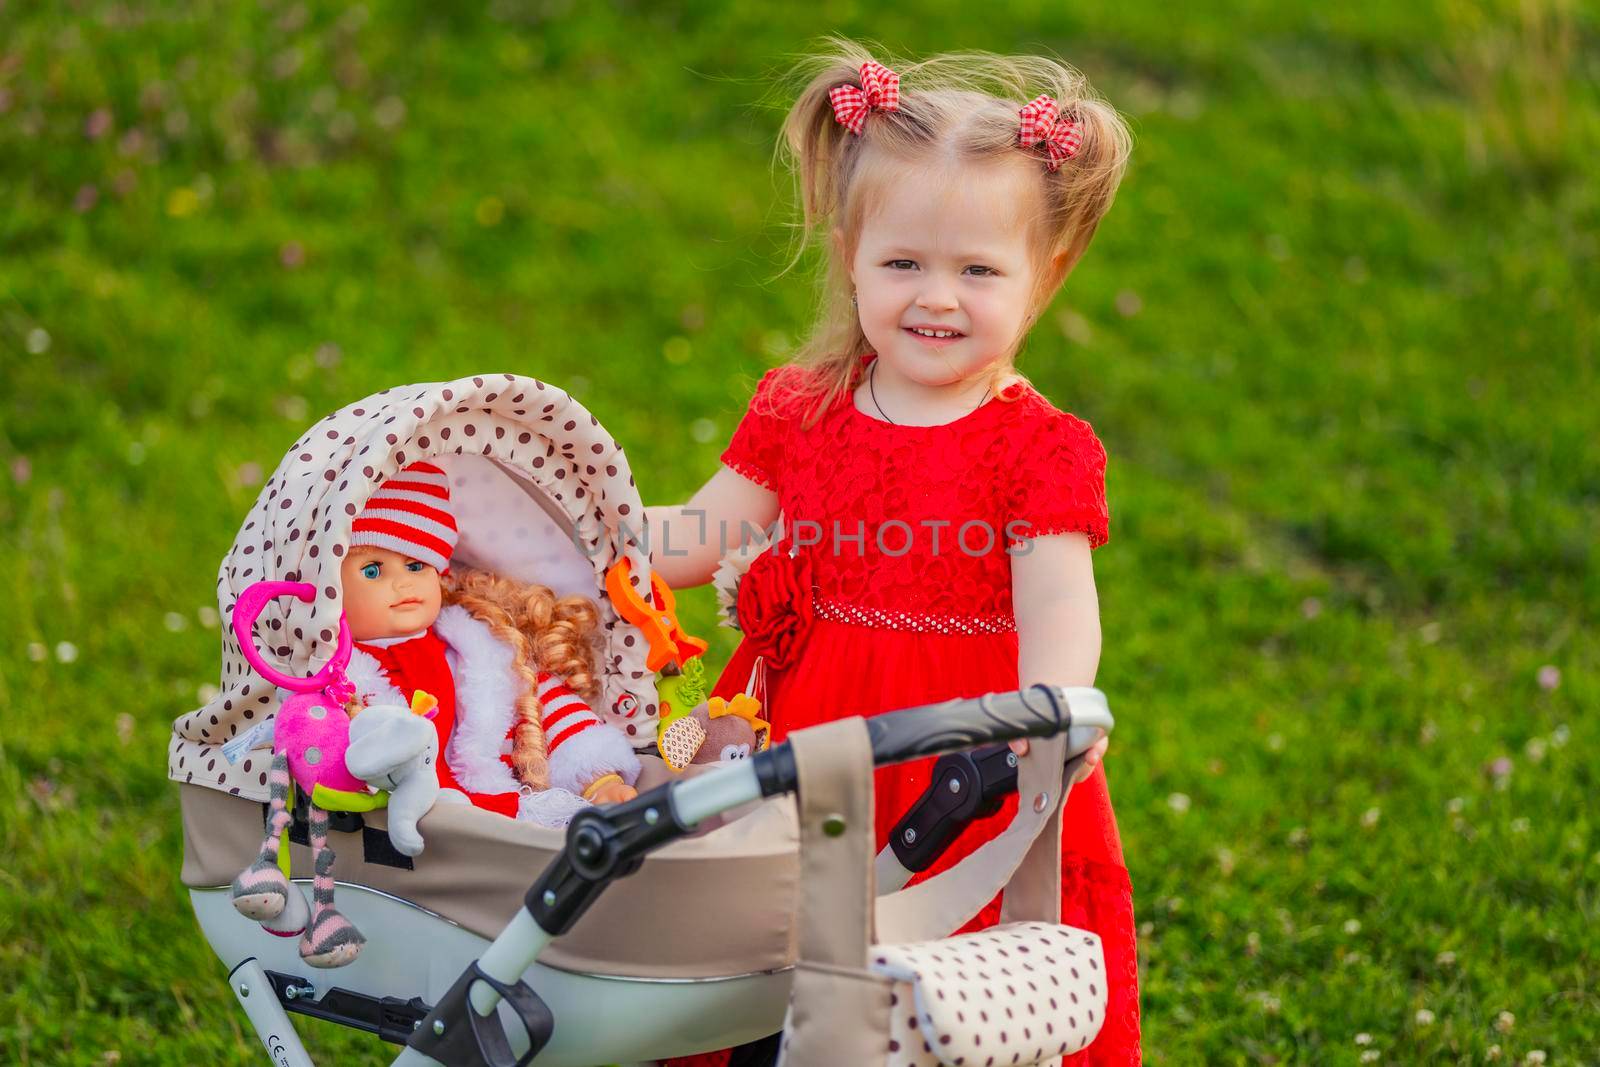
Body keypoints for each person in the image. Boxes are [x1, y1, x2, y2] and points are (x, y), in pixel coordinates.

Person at [647, 42, 1139, 1064]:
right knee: (766, 959)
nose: (937, 298)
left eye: (976, 270)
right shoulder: (800, 407)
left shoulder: (1038, 447)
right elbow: (701, 536)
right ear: (850, 253)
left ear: (1044, 273)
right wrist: (586, 528)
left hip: (961, 757)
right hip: (801, 731)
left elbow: (1058, 606)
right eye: (904, 262)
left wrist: (1048, 710)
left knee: (938, 989)